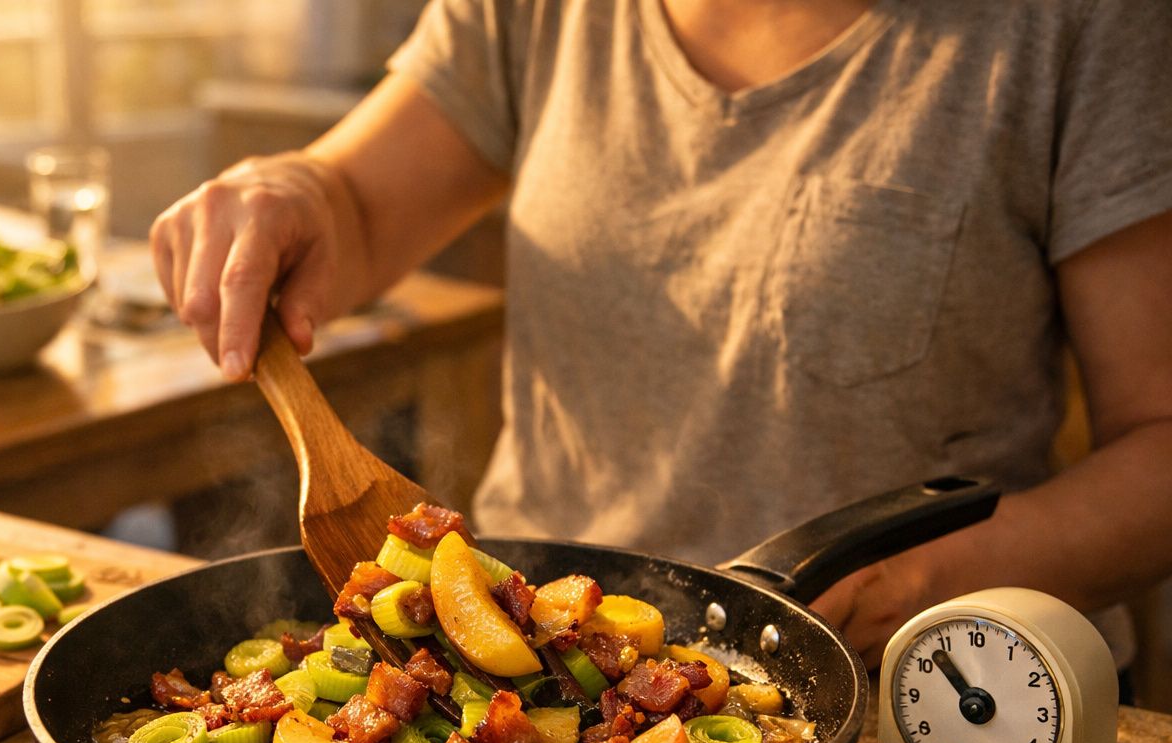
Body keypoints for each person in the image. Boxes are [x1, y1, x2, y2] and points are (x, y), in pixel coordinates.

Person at [149, 0, 1172, 678]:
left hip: (920, 706)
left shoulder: (1084, 25)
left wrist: (924, 585)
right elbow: (354, 210)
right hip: (525, 662)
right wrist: (293, 191)